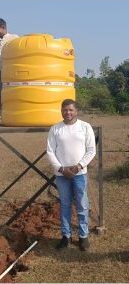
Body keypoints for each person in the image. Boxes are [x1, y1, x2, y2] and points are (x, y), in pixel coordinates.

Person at [46, 99, 96, 251]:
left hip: (79, 173)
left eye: (70, 110)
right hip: (62, 175)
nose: (68, 113)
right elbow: (50, 151)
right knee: (65, 205)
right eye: (65, 110)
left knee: (82, 204)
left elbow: (91, 150)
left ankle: (83, 236)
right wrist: (61, 169)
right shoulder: (55, 129)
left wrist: (78, 167)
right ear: (61, 111)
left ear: (76, 111)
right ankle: (66, 237)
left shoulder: (85, 127)